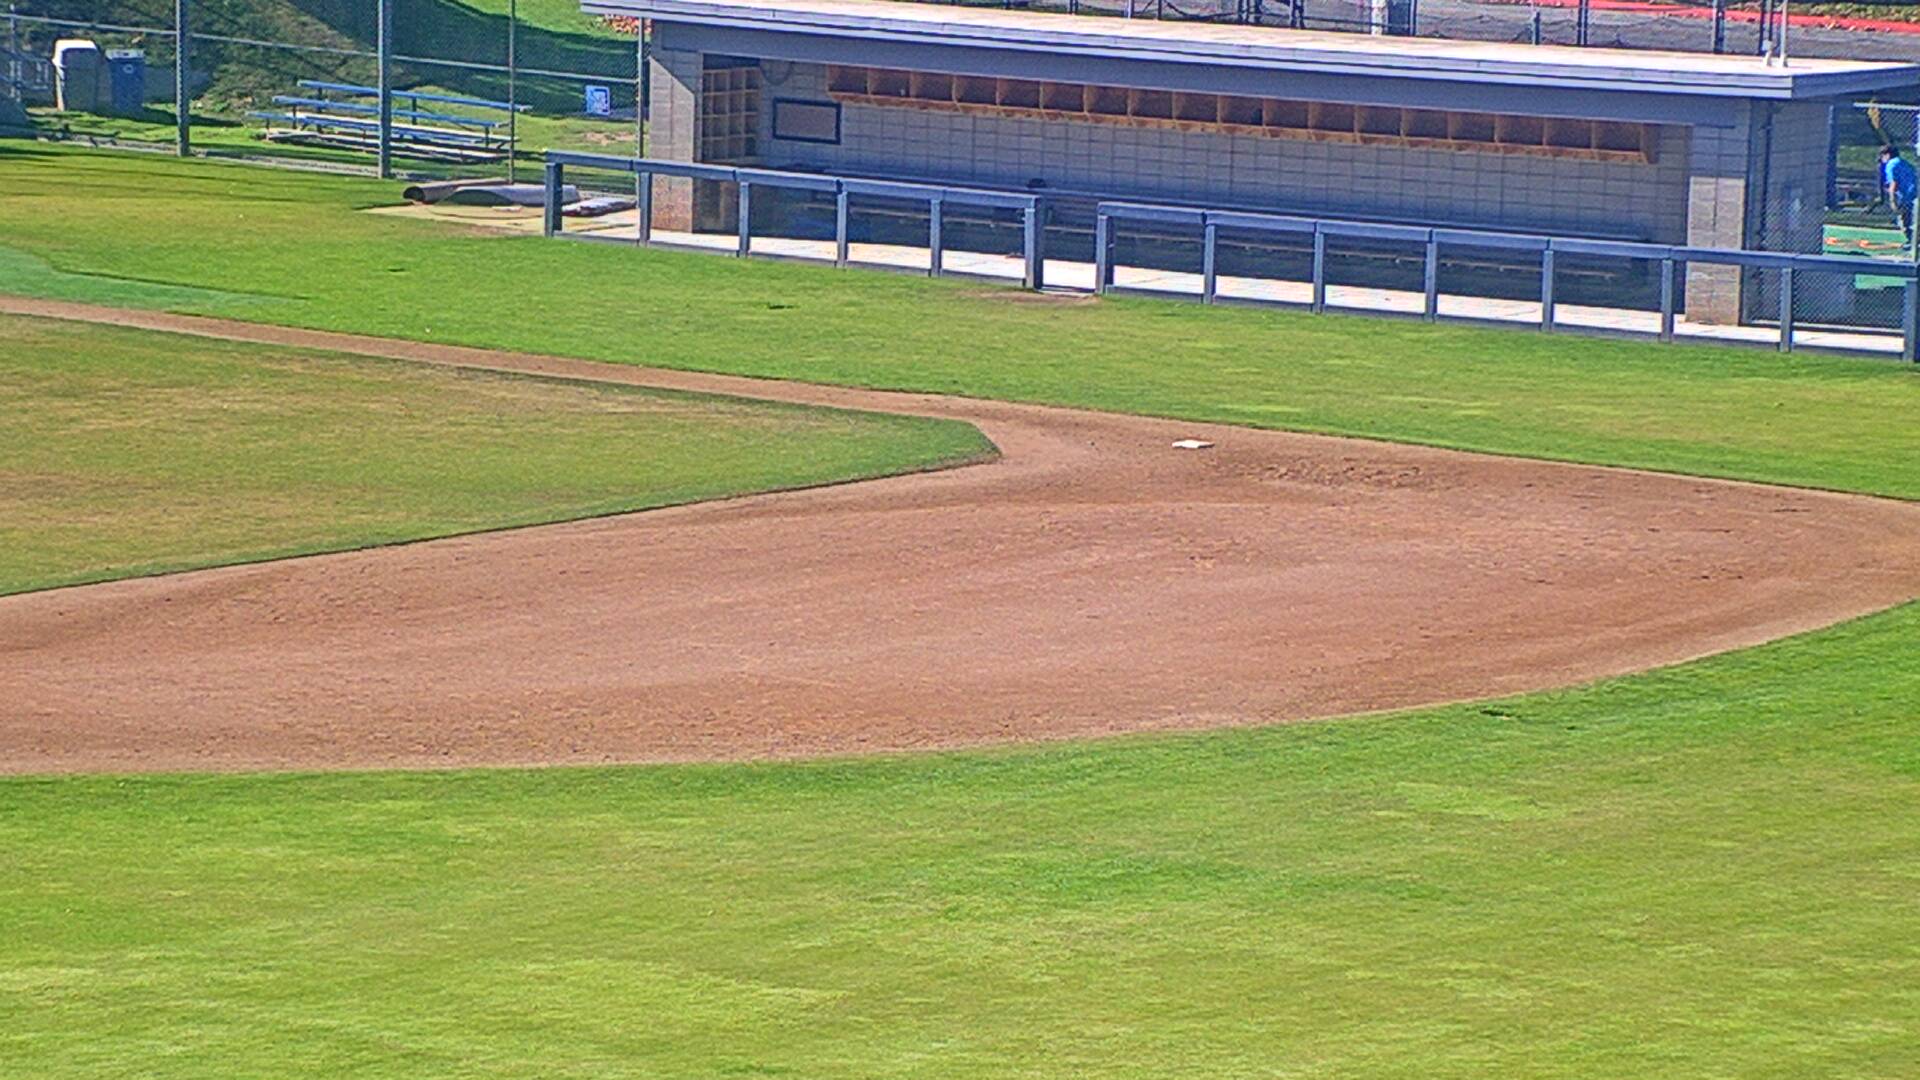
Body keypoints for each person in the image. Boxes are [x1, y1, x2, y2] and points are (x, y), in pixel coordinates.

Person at [1880, 145, 1917, 242]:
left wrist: (1892, 200)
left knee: (1903, 221)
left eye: (1882, 155)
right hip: (1915, 195)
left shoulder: (1891, 164)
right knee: (1913, 220)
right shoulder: (1904, 163)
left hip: (1907, 197)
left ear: (1887, 155)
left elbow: (1893, 183)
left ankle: (1912, 241)